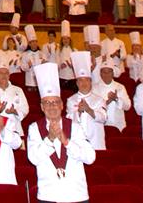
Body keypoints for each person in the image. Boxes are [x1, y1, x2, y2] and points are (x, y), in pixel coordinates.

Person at [27, 64, 94, 203]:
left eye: (55, 102)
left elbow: (90, 157)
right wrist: (49, 139)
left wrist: (67, 143)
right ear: (41, 107)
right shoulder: (34, 128)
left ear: (62, 105)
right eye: (47, 102)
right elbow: (33, 158)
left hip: (76, 194)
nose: (52, 106)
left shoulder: (75, 127)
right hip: (48, 195)